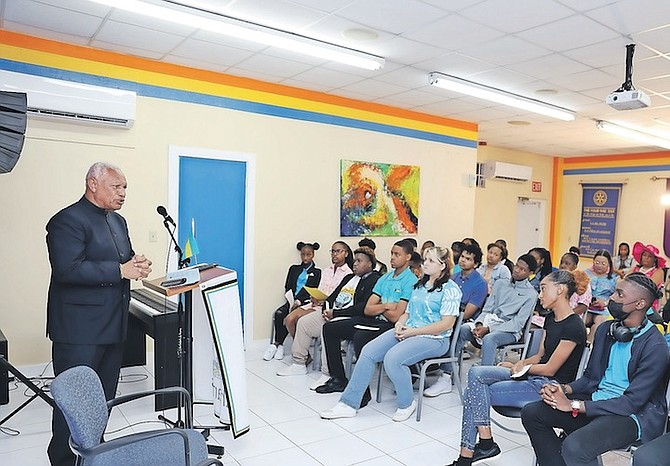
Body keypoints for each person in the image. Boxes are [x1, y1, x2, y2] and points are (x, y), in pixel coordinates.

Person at [46, 162, 152, 466]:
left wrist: (137, 264)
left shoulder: (118, 222)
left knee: (101, 401)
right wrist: (120, 270)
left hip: (113, 325)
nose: (122, 194)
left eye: (125, 188)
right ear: (92, 184)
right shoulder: (66, 221)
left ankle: (93, 453)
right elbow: (67, 270)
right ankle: (64, 459)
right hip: (79, 331)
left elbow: (123, 261)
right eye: (116, 187)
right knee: (73, 403)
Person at [521, 273, 669, 466]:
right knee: (532, 413)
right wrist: (563, 389)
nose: (612, 298)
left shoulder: (655, 347)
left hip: (632, 416)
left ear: (640, 304)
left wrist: (575, 406)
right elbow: (589, 378)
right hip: (597, 402)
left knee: (575, 446)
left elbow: (632, 403)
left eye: (620, 295)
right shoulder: (606, 330)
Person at [446, 270, 586, 466]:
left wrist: (519, 369)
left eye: (543, 289)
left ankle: (470, 454)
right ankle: (485, 443)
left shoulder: (574, 326)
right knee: (476, 373)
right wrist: (519, 364)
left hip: (551, 386)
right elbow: (539, 356)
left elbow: (550, 369)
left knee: (474, 391)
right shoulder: (550, 319)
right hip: (533, 377)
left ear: (560, 289)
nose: (539, 294)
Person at [320, 247, 462, 422]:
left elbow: (446, 324)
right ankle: (348, 404)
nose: (425, 263)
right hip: (409, 331)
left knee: (393, 359)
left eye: (431, 261)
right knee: (368, 351)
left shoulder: (450, 289)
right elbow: (407, 313)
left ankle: (407, 403)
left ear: (442, 266)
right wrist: (400, 323)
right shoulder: (420, 285)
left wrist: (412, 332)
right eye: (425, 259)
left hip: (434, 339)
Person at [424, 254, 538, 397]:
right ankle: (446, 377)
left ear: (530, 273)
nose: (517, 270)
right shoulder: (501, 284)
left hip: (509, 331)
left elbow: (517, 323)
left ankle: (483, 385)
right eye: (517, 266)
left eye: (522, 269)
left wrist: (488, 329)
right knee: (461, 330)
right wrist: (479, 324)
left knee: (490, 338)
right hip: (488, 321)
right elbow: (487, 309)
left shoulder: (531, 294)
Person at [315, 240, 417, 397]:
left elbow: (396, 316)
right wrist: (386, 306)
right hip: (373, 319)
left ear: (408, 257)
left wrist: (380, 306)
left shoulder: (410, 281)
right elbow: (368, 309)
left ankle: (363, 392)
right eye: (391, 253)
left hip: (392, 326)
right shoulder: (385, 278)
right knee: (330, 328)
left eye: (397, 254)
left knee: (360, 337)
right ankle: (338, 379)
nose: (392, 258)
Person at [276, 246, 380, 380]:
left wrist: (335, 314)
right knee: (303, 322)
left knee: (328, 329)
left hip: (349, 318)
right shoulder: (349, 277)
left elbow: (361, 307)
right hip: (332, 313)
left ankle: (327, 373)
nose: (355, 264)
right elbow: (332, 297)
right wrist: (326, 308)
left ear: (369, 264)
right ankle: (299, 363)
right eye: (354, 261)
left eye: (359, 261)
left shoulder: (374, 280)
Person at [279, 241, 353, 358]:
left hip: (328, 307)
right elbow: (319, 288)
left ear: (346, 253)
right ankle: (305, 353)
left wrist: (324, 301)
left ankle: (301, 355)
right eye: (332, 251)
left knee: (300, 320)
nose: (334, 254)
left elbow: (341, 297)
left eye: (338, 251)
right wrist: (313, 297)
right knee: (289, 319)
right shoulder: (326, 271)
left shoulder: (349, 274)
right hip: (315, 303)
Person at [264, 242, 322, 361]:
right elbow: (288, 286)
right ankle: (279, 344)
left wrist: (299, 301)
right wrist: (291, 299)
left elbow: (311, 289)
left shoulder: (317, 272)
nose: (305, 258)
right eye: (303, 255)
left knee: (290, 316)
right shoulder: (294, 269)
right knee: (279, 313)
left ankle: (277, 344)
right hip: (291, 300)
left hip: (305, 303)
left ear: (313, 255)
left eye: (308, 255)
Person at [584, 249, 618, 342]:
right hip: (586, 305)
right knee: (581, 321)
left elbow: (616, 295)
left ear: (608, 265)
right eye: (597, 262)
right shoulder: (585, 274)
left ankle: (588, 346)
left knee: (598, 324)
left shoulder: (614, 278)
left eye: (603, 263)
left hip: (604, 307)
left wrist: (605, 303)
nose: (599, 265)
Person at [559, 252, 592, 316]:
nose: (562, 266)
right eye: (561, 262)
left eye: (567, 263)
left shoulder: (582, 282)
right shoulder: (555, 280)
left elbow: (583, 306)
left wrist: (567, 314)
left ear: (575, 266)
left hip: (572, 317)